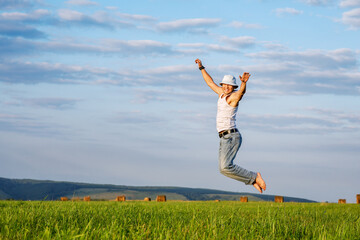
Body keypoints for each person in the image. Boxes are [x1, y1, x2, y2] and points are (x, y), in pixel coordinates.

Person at [195, 58, 267, 193]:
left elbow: (241, 94)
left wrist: (243, 83)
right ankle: (252, 180)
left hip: (231, 136)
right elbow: (210, 82)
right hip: (223, 137)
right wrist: (201, 67)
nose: (226, 87)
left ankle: (254, 177)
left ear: (233, 87)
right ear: (222, 85)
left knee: (225, 167)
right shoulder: (221, 94)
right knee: (223, 169)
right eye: (224, 85)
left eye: (229, 85)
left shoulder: (232, 97)